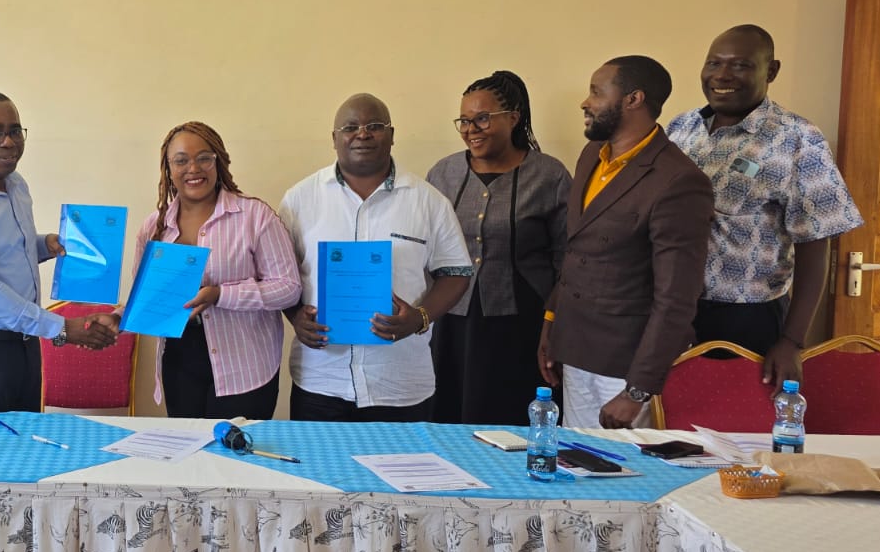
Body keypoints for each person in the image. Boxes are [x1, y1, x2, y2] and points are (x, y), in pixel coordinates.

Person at [666, 25, 863, 387]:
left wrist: (792, 341)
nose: (722, 75)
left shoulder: (798, 138)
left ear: (770, 71)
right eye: (714, 63)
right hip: (672, 311)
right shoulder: (681, 128)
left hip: (748, 319)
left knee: (738, 432)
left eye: (740, 65)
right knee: (671, 431)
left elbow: (815, 248)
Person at [541, 56, 713, 428]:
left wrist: (638, 390)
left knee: (627, 477)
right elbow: (577, 253)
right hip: (577, 353)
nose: (585, 103)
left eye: (596, 93)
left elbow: (677, 298)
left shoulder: (678, 180)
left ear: (634, 99)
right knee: (578, 464)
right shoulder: (592, 156)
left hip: (626, 368)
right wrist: (552, 326)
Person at [278, 94, 473, 423]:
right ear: (334, 139)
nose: (363, 134)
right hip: (321, 380)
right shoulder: (300, 199)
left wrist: (420, 318)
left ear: (392, 135)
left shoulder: (428, 201)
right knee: (318, 474)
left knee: (401, 474)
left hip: (400, 382)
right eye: (350, 127)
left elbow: (456, 272)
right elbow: (279, 274)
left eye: (375, 126)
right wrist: (295, 316)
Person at [0, 90, 120, 413]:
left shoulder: (16, 184)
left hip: (24, 348)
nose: (8, 141)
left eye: (15, 130)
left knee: (26, 454)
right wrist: (62, 328)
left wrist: (45, 245)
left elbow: (6, 250)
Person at [426, 71, 571, 425]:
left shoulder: (549, 176)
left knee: (512, 414)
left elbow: (566, 258)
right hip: (452, 323)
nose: (471, 129)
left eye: (482, 118)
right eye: (464, 120)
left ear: (514, 117)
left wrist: (557, 324)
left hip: (523, 325)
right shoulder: (442, 174)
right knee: (451, 410)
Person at [133, 121, 300, 420]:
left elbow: (288, 288)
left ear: (218, 161)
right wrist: (117, 316)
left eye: (204, 158)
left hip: (246, 367)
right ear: (168, 169)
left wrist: (221, 295)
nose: (193, 168)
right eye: (181, 160)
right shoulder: (154, 227)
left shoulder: (255, 216)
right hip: (179, 363)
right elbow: (144, 298)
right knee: (192, 458)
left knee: (239, 458)